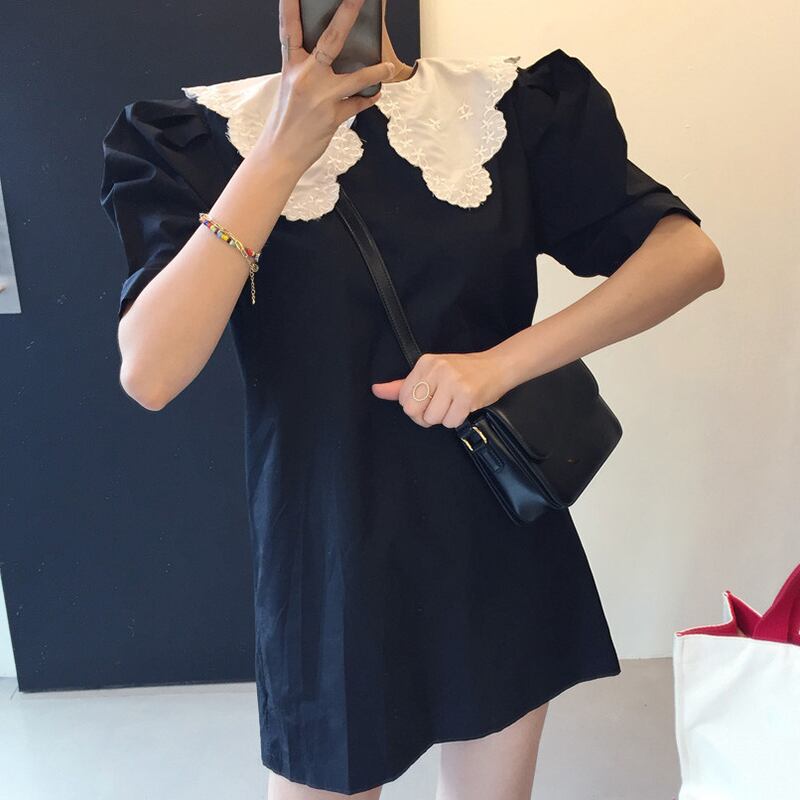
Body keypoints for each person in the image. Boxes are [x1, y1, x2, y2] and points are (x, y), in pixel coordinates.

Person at [99, 0, 724, 797]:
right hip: (330, 554)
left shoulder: (503, 107)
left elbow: (688, 256)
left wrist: (498, 366)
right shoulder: (194, 137)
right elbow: (152, 372)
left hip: (496, 526)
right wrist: (282, 149)